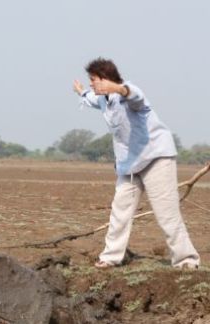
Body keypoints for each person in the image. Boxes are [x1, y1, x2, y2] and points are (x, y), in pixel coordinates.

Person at [72, 58, 200, 269]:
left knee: (167, 213)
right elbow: (90, 98)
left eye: (93, 80)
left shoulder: (128, 95)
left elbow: (135, 95)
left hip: (155, 158)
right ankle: (110, 257)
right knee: (119, 211)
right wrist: (80, 92)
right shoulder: (103, 99)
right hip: (129, 165)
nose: (91, 84)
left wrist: (119, 88)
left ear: (105, 79)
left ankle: (187, 260)